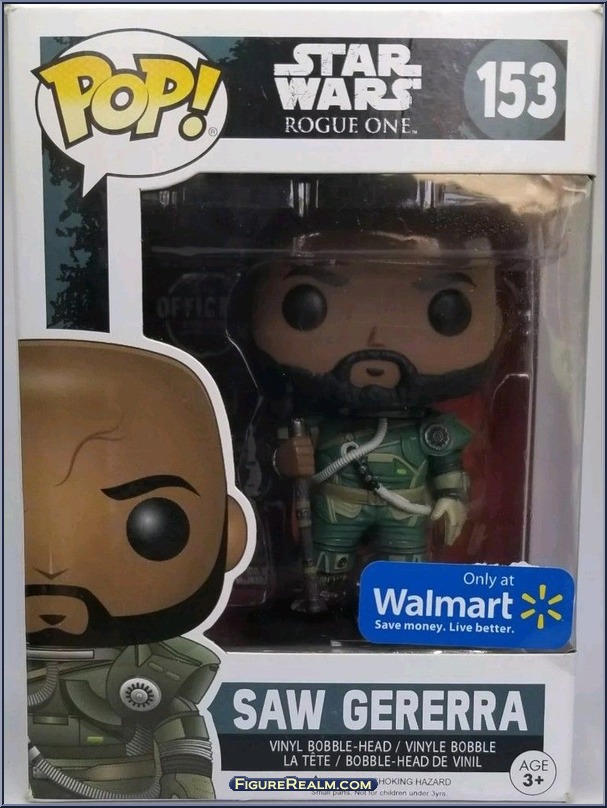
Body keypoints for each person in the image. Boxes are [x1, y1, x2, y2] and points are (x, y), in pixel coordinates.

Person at [22, 340, 250, 799]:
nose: (53, 568)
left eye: (155, 525)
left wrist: (186, 783)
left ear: (229, 532)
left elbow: (180, 729)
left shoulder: (152, 666)